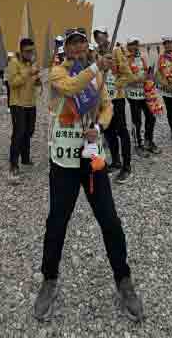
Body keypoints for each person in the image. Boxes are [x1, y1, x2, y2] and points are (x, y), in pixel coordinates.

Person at [34, 30, 143, 322]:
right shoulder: (57, 73)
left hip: (92, 159)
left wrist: (99, 126)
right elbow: (71, 87)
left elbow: (107, 107)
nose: (78, 46)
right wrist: (97, 67)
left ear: (87, 46)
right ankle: (49, 279)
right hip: (63, 162)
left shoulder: (96, 77)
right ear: (66, 48)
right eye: (73, 43)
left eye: (82, 42)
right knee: (57, 222)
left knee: (110, 221)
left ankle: (123, 279)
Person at [93, 28, 133, 182]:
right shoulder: (96, 54)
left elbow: (127, 74)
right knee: (108, 131)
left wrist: (115, 85)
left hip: (117, 98)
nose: (99, 40)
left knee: (122, 130)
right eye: (97, 38)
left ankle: (127, 166)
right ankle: (116, 161)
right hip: (104, 100)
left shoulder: (116, 51)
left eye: (101, 37)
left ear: (107, 36)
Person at [5, 38, 43, 182]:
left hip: (30, 103)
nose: (30, 54)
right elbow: (13, 83)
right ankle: (13, 164)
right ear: (21, 51)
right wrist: (28, 72)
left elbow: (33, 81)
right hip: (17, 104)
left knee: (29, 131)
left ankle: (25, 158)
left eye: (32, 51)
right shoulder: (13, 63)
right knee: (19, 133)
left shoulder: (31, 63)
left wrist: (37, 80)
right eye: (27, 51)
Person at [119, 38, 160, 157]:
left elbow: (148, 72)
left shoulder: (143, 56)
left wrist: (150, 77)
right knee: (137, 121)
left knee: (151, 117)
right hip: (133, 94)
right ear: (127, 46)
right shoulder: (124, 59)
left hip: (145, 92)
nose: (134, 46)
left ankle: (148, 141)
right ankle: (138, 145)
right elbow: (123, 76)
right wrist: (135, 79)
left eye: (135, 44)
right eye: (131, 44)